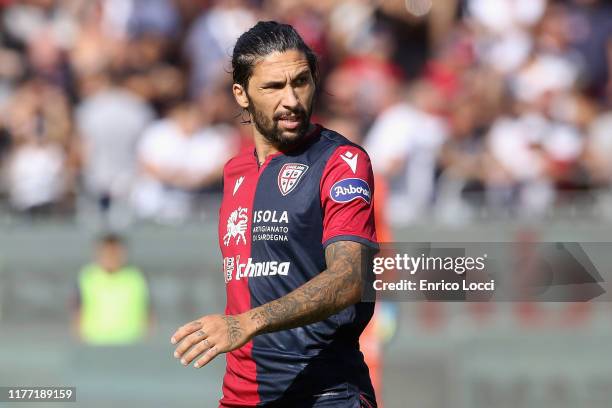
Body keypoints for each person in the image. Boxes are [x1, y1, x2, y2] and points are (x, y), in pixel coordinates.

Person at [171, 21, 379, 408]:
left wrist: (246, 323)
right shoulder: (235, 172)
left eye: (300, 81)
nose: (292, 100)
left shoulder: (340, 162)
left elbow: (352, 277)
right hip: (240, 398)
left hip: (325, 395)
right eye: (273, 87)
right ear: (242, 94)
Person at [74, 233, 152, 345]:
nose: (111, 257)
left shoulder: (137, 277)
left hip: (131, 344)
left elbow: (148, 314)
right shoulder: (86, 277)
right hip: (95, 345)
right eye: (107, 252)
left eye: (115, 252)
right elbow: (77, 313)